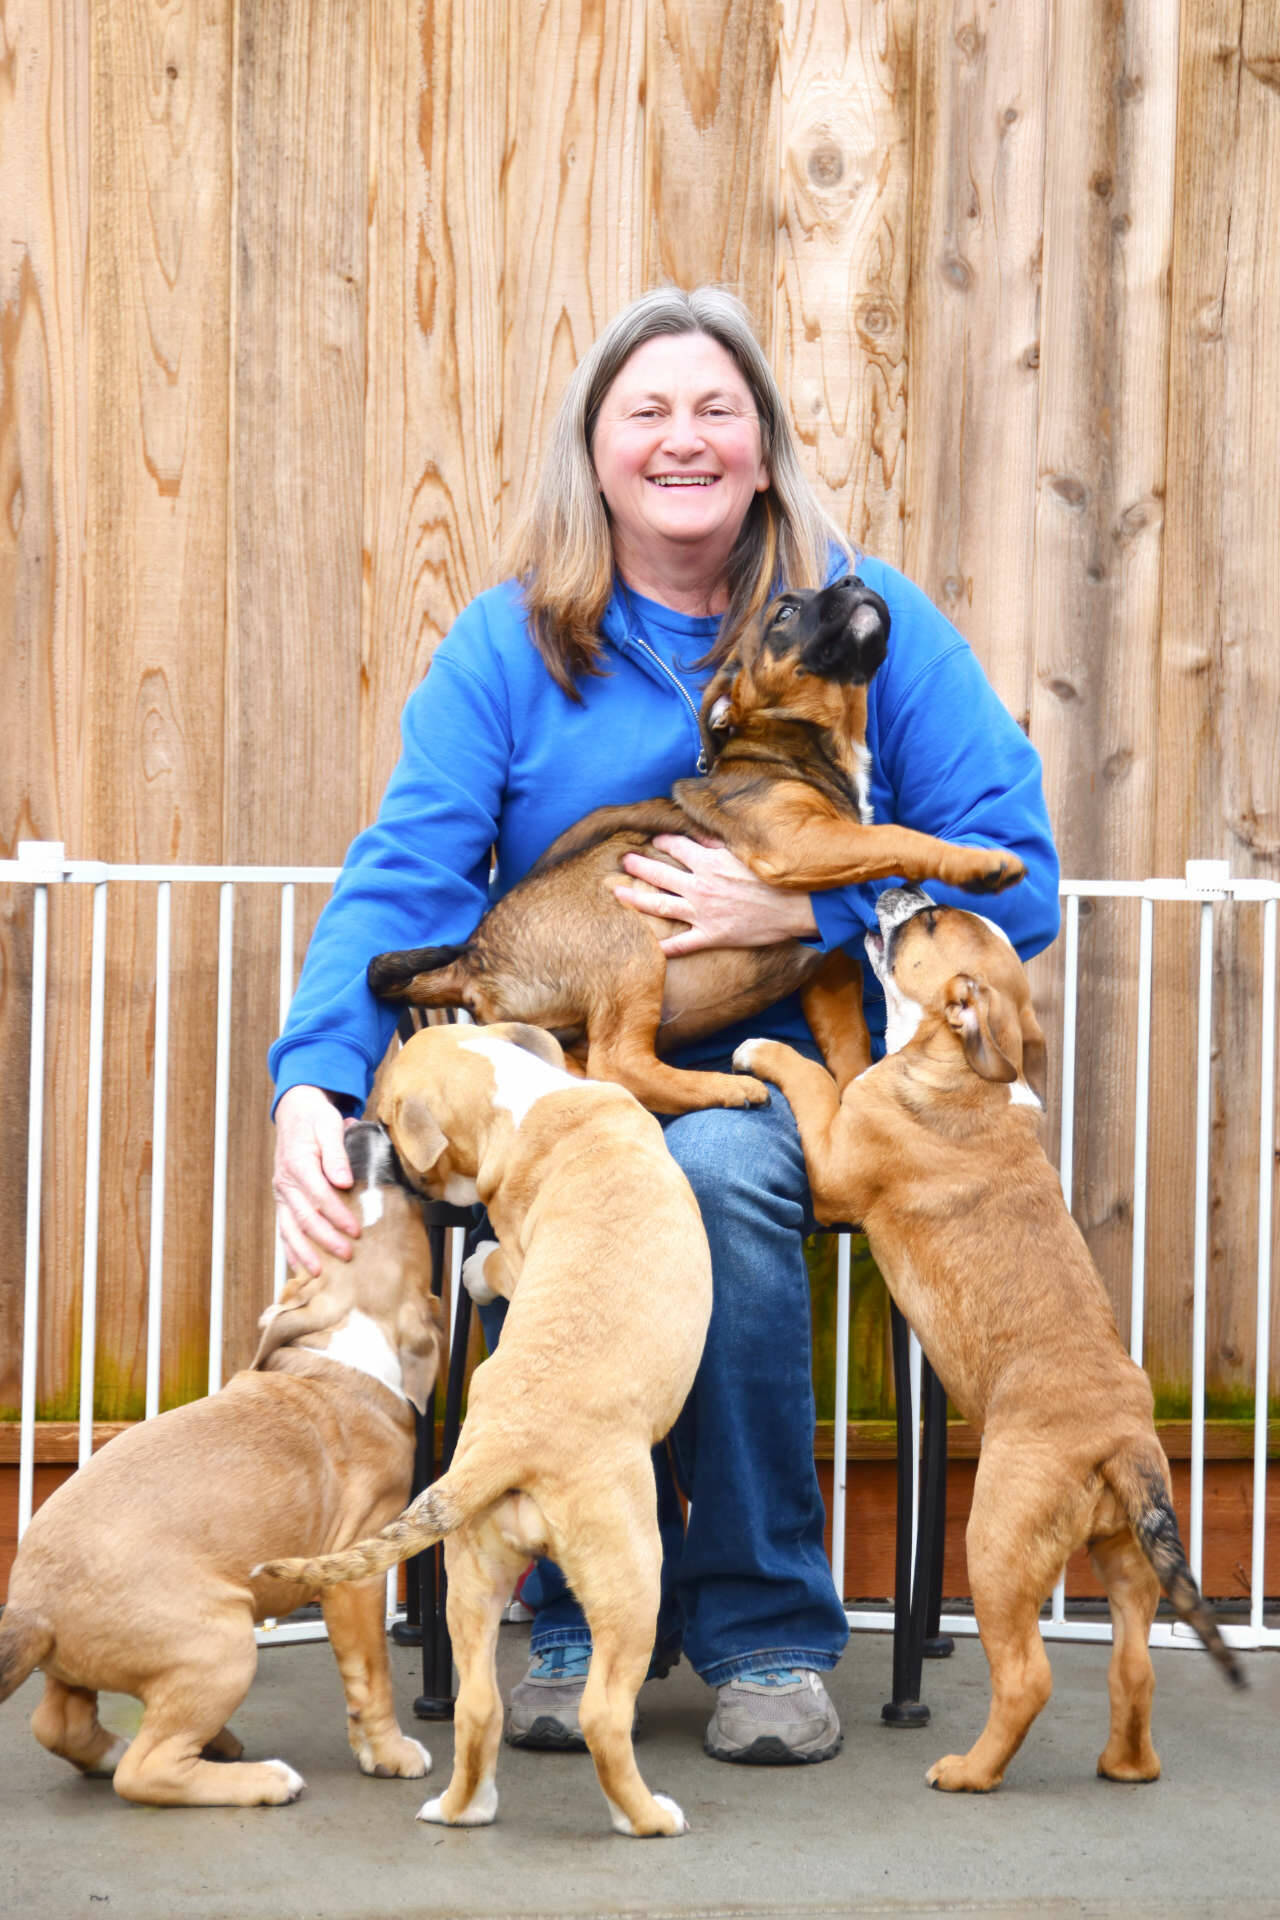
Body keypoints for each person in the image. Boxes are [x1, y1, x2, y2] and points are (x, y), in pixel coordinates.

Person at [270, 284, 1060, 1766]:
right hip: (559, 1076)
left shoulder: (863, 623)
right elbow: (410, 872)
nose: (683, 439)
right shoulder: (514, 647)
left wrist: (805, 920)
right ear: (597, 450)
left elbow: (1018, 865)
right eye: (648, 411)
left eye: (717, 409)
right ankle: (568, 1614)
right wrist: (314, 1080)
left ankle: (761, 1628)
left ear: (764, 448)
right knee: (588, 1179)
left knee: (710, 1177)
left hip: (761, 1080)